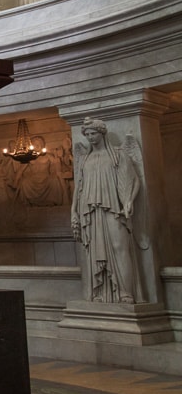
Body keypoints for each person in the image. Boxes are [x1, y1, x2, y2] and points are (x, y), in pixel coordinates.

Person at [70, 117, 143, 304]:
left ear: (102, 133)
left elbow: (133, 180)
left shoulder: (118, 154)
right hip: (90, 210)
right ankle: (100, 292)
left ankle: (126, 292)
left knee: (120, 248)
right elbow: (78, 188)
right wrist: (74, 211)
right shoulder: (85, 158)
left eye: (93, 134)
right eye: (87, 135)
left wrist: (129, 201)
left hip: (113, 208)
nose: (90, 138)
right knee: (94, 252)